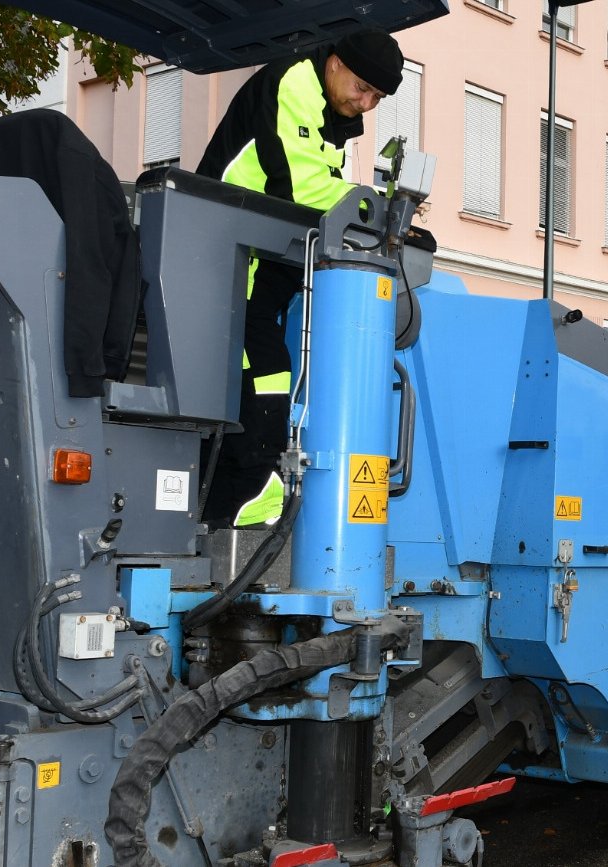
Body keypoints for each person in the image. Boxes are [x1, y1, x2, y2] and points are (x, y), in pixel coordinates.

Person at [196, 31, 406, 529]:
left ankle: (245, 488)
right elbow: (301, 184)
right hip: (226, 246)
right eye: (362, 87)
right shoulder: (294, 82)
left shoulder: (330, 112)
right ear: (333, 64)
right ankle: (247, 489)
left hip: (260, 252)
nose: (367, 102)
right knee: (261, 361)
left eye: (377, 97)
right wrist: (374, 209)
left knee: (266, 360)